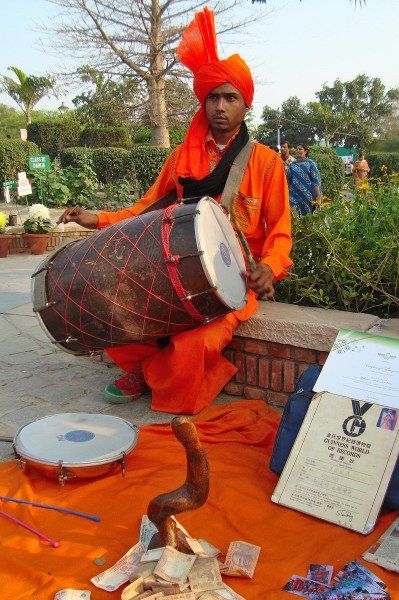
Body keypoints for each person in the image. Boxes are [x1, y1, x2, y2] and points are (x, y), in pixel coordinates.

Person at [57, 7, 292, 415]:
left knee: (196, 342)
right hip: (173, 268)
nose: (220, 106)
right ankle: (149, 368)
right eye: (213, 97)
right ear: (203, 103)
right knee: (118, 313)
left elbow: (281, 232)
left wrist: (268, 268)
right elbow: (147, 207)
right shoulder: (182, 157)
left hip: (234, 279)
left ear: (245, 104)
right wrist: (96, 219)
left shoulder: (267, 163)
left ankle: (152, 376)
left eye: (230, 97)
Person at [287, 144, 322, 215]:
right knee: (295, 216)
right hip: (294, 195)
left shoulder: (311, 164)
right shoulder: (292, 164)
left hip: (308, 196)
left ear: (305, 151)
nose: (298, 151)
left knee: (307, 218)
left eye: (300, 149)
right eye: (297, 149)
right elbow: (288, 180)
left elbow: (315, 181)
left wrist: (318, 196)